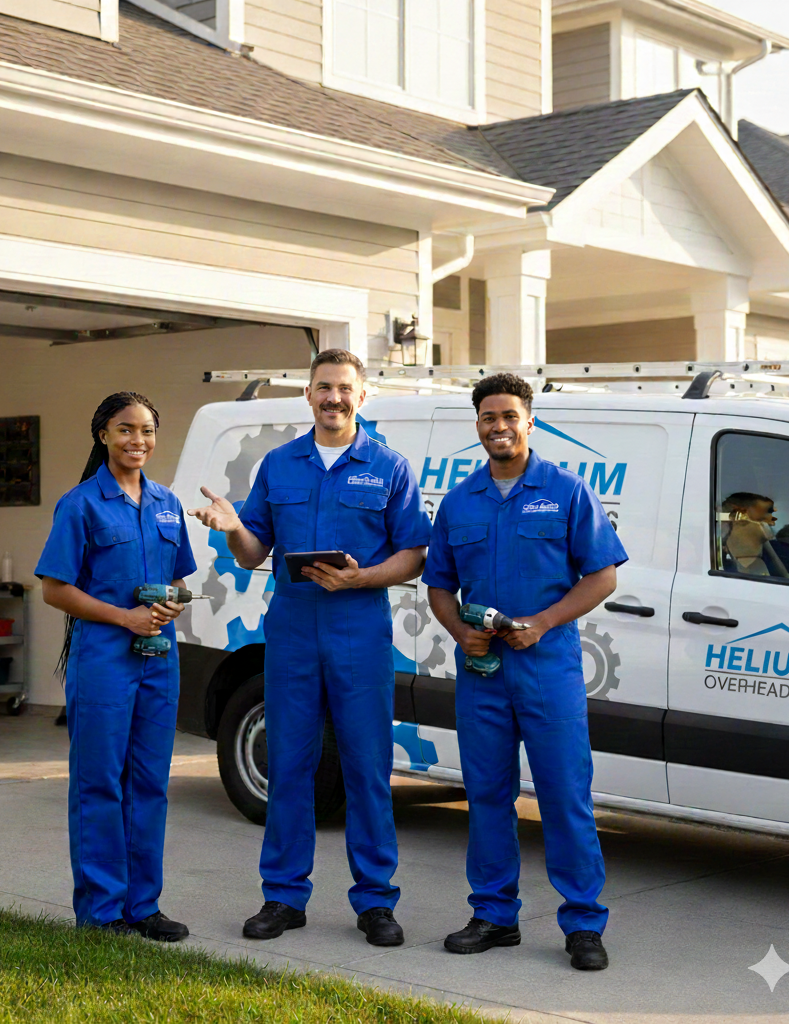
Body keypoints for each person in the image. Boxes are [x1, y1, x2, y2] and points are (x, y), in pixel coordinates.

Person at [189, 349, 431, 947]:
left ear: (362, 396)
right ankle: (283, 898)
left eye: (344, 389)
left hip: (359, 630)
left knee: (368, 768)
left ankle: (375, 902)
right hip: (294, 632)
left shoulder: (389, 466)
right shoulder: (279, 465)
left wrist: (363, 577)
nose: (333, 398)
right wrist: (234, 528)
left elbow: (415, 553)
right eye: (323, 388)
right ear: (309, 396)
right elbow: (252, 553)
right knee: (288, 764)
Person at [422, 372, 627, 971]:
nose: (499, 427)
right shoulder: (461, 501)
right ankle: (493, 915)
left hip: (548, 667)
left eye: (510, 416)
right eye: (489, 418)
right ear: (478, 426)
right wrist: (460, 632)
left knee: (566, 797)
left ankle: (583, 924)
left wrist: (542, 621)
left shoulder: (566, 491)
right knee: (486, 795)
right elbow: (439, 585)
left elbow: (603, 575)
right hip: (483, 672)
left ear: (529, 421)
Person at [36, 391, 196, 939]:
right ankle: (102, 912)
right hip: (104, 657)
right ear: (102, 434)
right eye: (125, 430)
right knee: (100, 782)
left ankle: (143, 906)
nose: (138, 441)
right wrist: (123, 619)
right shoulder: (80, 504)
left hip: (158, 658)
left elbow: (178, 579)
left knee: (150, 782)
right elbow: (56, 590)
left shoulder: (168, 503)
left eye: (147, 431)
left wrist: (173, 601)